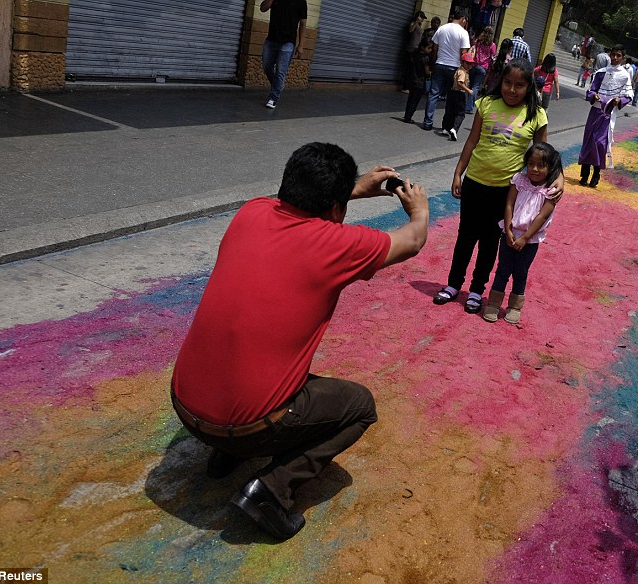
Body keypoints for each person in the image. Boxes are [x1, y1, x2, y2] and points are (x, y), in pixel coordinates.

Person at [171, 143, 429, 540]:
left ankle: (226, 454)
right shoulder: (338, 244)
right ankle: (270, 491)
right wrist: (419, 208)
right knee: (360, 406)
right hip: (246, 422)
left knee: (260, 344)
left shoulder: (250, 212)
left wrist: (351, 191)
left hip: (184, 404)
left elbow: (297, 210)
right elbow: (411, 240)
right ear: (335, 211)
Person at [432, 59, 561, 314]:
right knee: (465, 236)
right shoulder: (486, 104)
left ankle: (477, 290)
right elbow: (471, 141)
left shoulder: (536, 114)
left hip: (505, 191)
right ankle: (453, 284)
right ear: (500, 81)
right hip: (474, 183)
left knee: (490, 242)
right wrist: (458, 173)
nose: (512, 90)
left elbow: (544, 154)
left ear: (528, 88)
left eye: (519, 85)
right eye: (507, 83)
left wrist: (560, 177)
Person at [483, 143, 562, 324]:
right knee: (502, 269)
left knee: (520, 272)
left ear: (551, 168)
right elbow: (509, 204)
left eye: (541, 165)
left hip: (530, 240)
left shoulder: (550, 191)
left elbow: (542, 217)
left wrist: (525, 238)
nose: (534, 169)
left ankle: (514, 307)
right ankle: (493, 304)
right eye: (531, 163)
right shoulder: (519, 180)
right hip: (508, 234)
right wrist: (509, 230)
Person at [578, 45, 633, 188]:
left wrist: (619, 101)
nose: (615, 58)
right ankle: (584, 174)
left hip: (608, 114)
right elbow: (591, 90)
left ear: (623, 57)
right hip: (595, 112)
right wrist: (593, 95)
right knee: (589, 141)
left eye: (618, 56)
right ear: (610, 55)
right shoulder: (601, 72)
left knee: (600, 143)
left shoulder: (624, 75)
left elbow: (629, 95)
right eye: (613, 55)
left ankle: (596, 173)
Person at [423, 8, 470, 131]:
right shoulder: (463, 33)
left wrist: (434, 63)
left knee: (433, 94)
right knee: (451, 96)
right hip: (454, 67)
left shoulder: (442, 28)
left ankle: (428, 122)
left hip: (439, 64)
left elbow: (434, 49)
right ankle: (446, 126)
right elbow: (464, 53)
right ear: (463, 19)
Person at [260, 0, 307, 109]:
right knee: (266, 67)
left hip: (288, 43)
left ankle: (273, 98)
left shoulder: (301, 2)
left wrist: (301, 46)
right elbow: (263, 8)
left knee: (280, 71)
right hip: (271, 39)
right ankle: (278, 86)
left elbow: (303, 23)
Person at [439, 53, 476, 141]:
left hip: (452, 92)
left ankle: (446, 128)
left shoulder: (458, 70)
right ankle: (454, 129)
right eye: (467, 63)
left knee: (450, 111)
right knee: (460, 114)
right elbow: (460, 82)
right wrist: (468, 90)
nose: (469, 65)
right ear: (462, 62)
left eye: (471, 63)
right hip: (460, 93)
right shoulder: (462, 72)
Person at [402, 40, 433, 124]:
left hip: (412, 80)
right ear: (423, 47)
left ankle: (406, 115)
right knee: (415, 101)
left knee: (410, 100)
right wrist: (430, 74)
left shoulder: (415, 55)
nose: (430, 50)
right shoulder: (425, 58)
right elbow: (427, 72)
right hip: (420, 82)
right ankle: (408, 117)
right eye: (429, 48)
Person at [469, 26, 496, 113]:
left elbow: (474, 51)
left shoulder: (478, 41)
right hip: (483, 68)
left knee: (470, 86)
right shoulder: (492, 45)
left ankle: (466, 104)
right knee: (476, 87)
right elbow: (493, 57)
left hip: (474, 65)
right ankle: (469, 107)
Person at [402, 11, 427, 92]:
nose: (422, 20)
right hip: (411, 49)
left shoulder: (419, 26)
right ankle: (405, 87)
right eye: (422, 18)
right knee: (408, 68)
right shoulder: (413, 23)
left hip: (416, 49)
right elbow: (410, 30)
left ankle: (408, 86)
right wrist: (416, 21)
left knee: (412, 68)